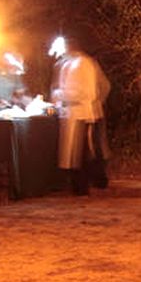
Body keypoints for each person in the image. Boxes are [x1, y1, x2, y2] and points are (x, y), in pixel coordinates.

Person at [51, 33, 111, 195]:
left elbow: (86, 92)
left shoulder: (83, 64)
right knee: (77, 153)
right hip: (72, 114)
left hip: (81, 114)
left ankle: (82, 186)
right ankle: (78, 184)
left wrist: (60, 94)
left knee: (82, 153)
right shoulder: (70, 63)